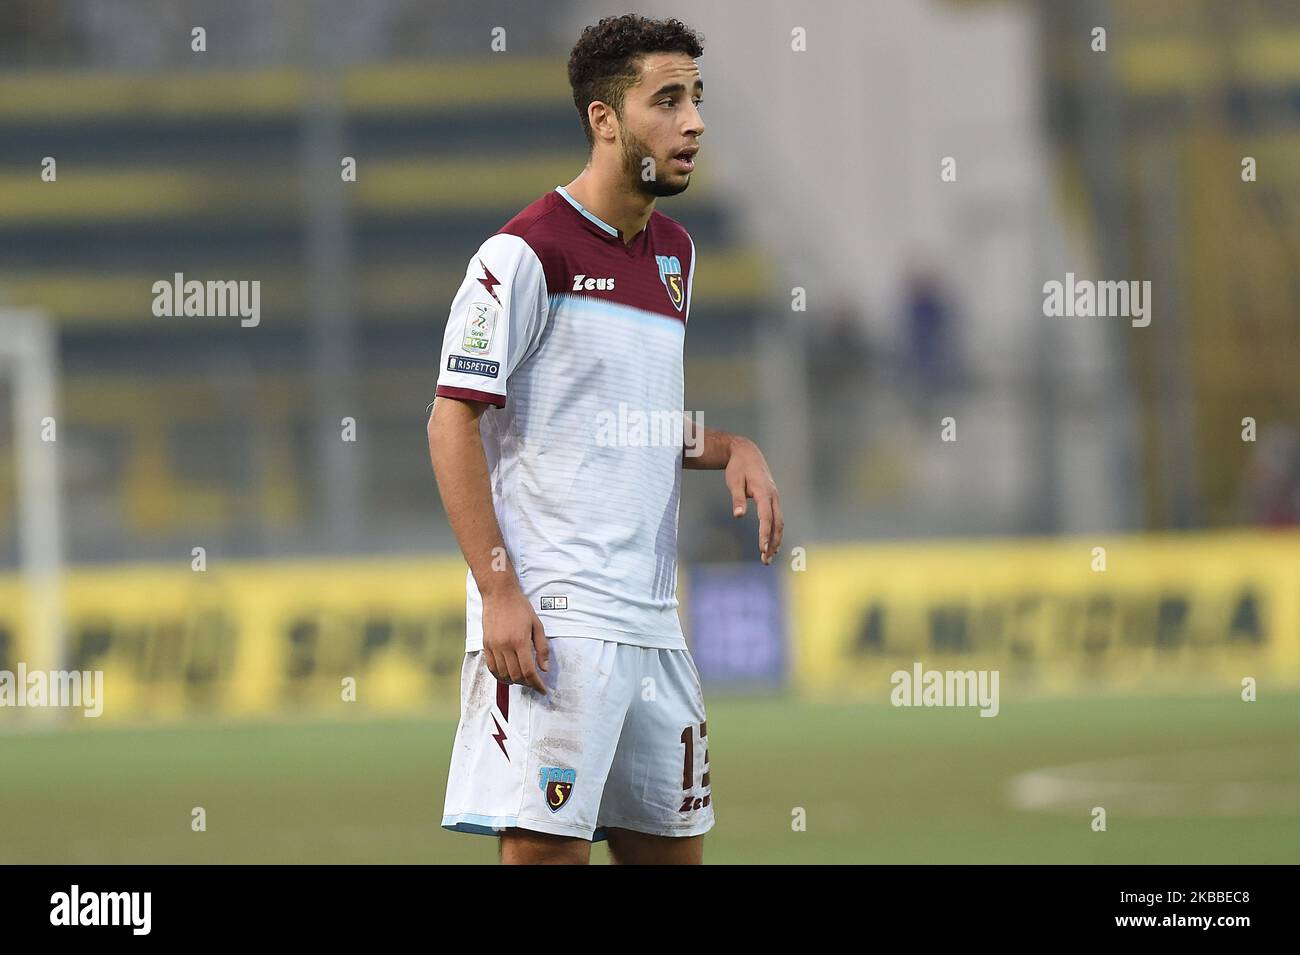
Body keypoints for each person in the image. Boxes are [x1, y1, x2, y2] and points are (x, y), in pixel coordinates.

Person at [426, 14, 782, 865]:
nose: (693, 120)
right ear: (605, 119)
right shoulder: (523, 255)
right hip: (556, 620)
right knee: (548, 854)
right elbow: (451, 419)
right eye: (667, 100)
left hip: (655, 622)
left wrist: (729, 443)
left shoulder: (675, 255)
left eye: (697, 97)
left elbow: (626, 417)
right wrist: (500, 590)